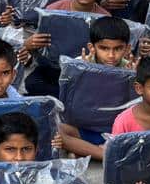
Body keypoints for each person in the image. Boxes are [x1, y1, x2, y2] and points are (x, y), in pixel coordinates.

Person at [58, 16, 140, 157]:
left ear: (127, 49)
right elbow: (69, 104)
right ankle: (104, 154)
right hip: (85, 128)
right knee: (57, 130)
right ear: (92, 47)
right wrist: (83, 74)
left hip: (116, 131)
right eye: (104, 48)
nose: (111, 55)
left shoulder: (131, 70)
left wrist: (132, 79)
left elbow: (134, 108)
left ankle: (87, 151)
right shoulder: (78, 65)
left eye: (118, 48)